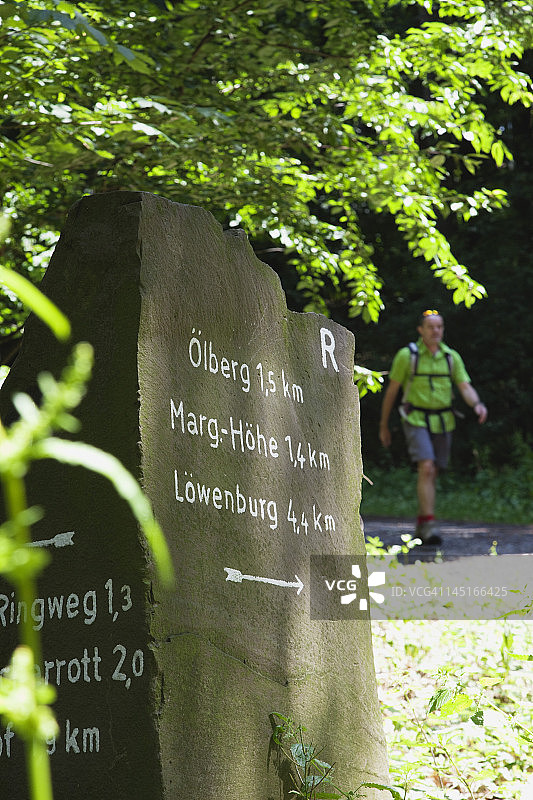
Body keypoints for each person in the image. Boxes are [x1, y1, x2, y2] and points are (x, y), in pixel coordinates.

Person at [379, 310, 487, 545]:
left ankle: (421, 523)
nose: (435, 331)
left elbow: (465, 387)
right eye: (430, 327)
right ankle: (429, 524)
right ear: (421, 330)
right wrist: (384, 425)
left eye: (439, 327)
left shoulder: (451, 357)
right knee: (426, 467)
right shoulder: (407, 356)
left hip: (443, 421)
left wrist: (477, 404)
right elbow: (392, 391)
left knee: (432, 472)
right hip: (415, 419)